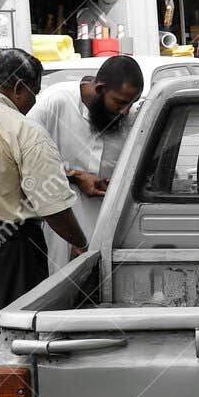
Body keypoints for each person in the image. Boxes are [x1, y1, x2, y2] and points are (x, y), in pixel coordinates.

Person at [0, 50, 88, 397]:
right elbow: (51, 204)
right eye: (32, 93)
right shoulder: (19, 128)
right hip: (4, 243)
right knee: (9, 344)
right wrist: (81, 242)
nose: (33, 101)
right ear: (19, 88)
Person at [33, 55, 145, 269]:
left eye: (132, 104)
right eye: (121, 102)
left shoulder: (129, 118)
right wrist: (75, 177)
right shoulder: (56, 101)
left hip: (112, 228)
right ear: (100, 88)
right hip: (61, 226)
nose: (125, 111)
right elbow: (25, 157)